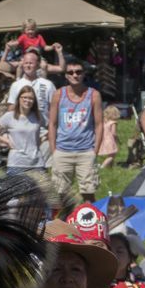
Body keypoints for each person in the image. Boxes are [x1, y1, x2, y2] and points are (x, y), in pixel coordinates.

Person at [48, 59, 104, 202]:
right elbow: (52, 124)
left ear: (84, 74)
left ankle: (90, 222)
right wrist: (54, 151)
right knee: (60, 194)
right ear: (66, 75)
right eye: (71, 72)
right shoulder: (59, 95)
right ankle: (62, 223)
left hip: (85, 151)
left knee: (89, 193)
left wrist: (94, 151)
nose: (75, 75)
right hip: (62, 150)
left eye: (78, 72)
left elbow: (99, 124)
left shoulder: (94, 95)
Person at [0, 84, 46, 175]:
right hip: (16, 164)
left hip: (36, 163)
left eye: (31, 98)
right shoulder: (9, 116)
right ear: (19, 98)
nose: (27, 100)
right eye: (24, 97)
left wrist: (42, 139)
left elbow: (51, 127)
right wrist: (6, 141)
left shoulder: (38, 116)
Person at [7, 47, 56, 122]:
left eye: (31, 63)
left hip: (43, 130)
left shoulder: (48, 84)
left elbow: (54, 107)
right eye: (26, 63)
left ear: (37, 65)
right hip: (21, 128)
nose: (28, 66)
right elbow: (11, 109)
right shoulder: (16, 85)